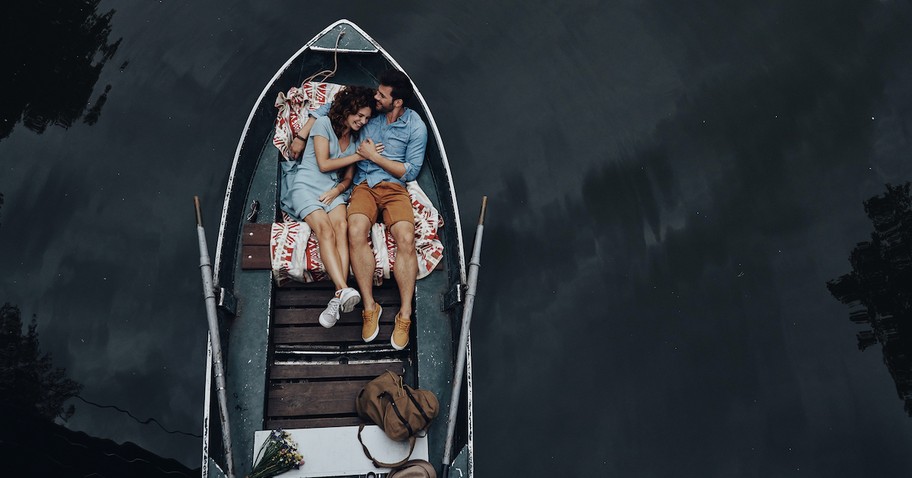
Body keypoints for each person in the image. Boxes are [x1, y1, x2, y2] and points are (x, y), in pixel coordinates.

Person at [280, 85, 376, 328]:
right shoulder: (322, 124)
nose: (362, 121)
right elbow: (323, 164)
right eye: (359, 116)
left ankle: (337, 299)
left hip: (332, 191)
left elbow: (347, 178)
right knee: (325, 230)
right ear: (347, 110)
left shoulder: (355, 140)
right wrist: (360, 156)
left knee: (341, 227)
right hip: (306, 186)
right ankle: (344, 289)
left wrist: (338, 190)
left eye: (366, 118)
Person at [349, 70, 428, 351]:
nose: (376, 97)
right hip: (363, 187)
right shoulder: (371, 111)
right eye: (377, 92)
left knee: (406, 238)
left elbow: (409, 171)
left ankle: (405, 313)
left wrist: (374, 157)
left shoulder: (416, 127)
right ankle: (370, 306)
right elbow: (337, 107)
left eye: (382, 95)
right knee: (356, 231)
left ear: (397, 102)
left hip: (394, 189)